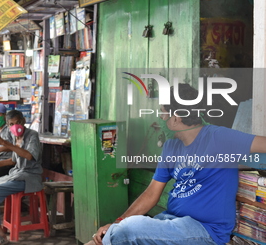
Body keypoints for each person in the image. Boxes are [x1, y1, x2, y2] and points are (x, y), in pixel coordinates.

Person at [90, 83, 266, 245]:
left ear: (176, 118)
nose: (160, 118)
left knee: (126, 231)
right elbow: (151, 193)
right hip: (171, 221)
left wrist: (119, 227)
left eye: (162, 112)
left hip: (205, 230)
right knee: (112, 233)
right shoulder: (171, 146)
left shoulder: (218, 138)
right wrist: (116, 222)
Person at [0, 110, 43, 245]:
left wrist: (5, 143)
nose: (15, 126)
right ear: (8, 125)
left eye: (18, 122)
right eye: (11, 124)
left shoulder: (32, 135)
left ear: (23, 121)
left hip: (29, 177)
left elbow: (28, 156)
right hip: (16, 173)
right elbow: (14, 160)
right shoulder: (15, 136)